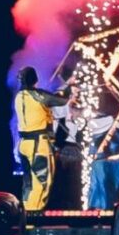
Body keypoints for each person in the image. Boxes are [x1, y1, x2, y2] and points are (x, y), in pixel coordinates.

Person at [13, 67, 72, 210]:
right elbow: (61, 100)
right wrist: (69, 89)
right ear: (35, 80)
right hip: (38, 145)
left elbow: (49, 97)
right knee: (42, 183)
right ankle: (32, 217)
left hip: (25, 145)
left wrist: (66, 85)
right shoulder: (37, 95)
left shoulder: (19, 96)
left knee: (29, 184)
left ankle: (24, 214)